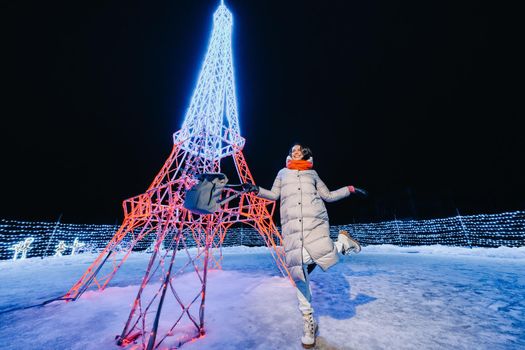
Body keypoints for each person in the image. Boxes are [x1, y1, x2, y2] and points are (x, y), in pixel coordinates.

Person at [242, 143, 366, 349]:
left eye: (299, 150)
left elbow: (328, 196)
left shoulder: (313, 174)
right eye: (292, 150)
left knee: (317, 255)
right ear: (289, 154)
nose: (295, 151)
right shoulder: (282, 173)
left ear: (305, 153)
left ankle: (341, 244)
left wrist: (349, 189)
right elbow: (273, 195)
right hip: (292, 228)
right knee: (298, 274)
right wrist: (255, 190)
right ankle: (309, 321)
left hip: (313, 221)